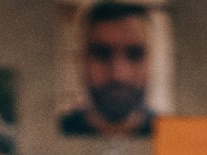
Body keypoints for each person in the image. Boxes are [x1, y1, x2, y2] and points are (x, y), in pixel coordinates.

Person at [58, 1, 157, 138]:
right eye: (101, 54)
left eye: (134, 54)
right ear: (81, 60)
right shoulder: (54, 134)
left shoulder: (175, 138)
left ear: (150, 61)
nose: (119, 74)